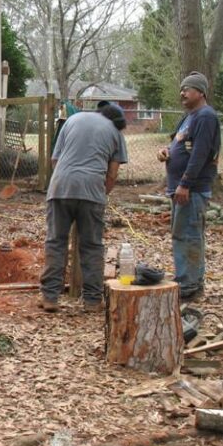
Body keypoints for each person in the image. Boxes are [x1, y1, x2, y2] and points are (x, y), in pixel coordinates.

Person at [39, 102, 129, 313]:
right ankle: (92, 300)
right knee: (92, 246)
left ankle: (50, 297)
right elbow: (113, 174)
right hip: (92, 191)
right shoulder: (115, 133)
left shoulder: (72, 120)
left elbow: (55, 160)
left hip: (60, 187)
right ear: (117, 122)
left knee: (55, 242)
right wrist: (100, 194)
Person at [157, 71, 220, 302]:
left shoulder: (205, 116)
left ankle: (188, 286)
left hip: (191, 191)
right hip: (181, 189)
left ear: (201, 92)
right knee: (184, 235)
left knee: (188, 236)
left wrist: (185, 184)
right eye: (181, 89)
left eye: (187, 89)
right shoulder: (189, 116)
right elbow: (180, 145)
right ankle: (190, 282)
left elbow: (201, 154)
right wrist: (166, 151)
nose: (182, 93)